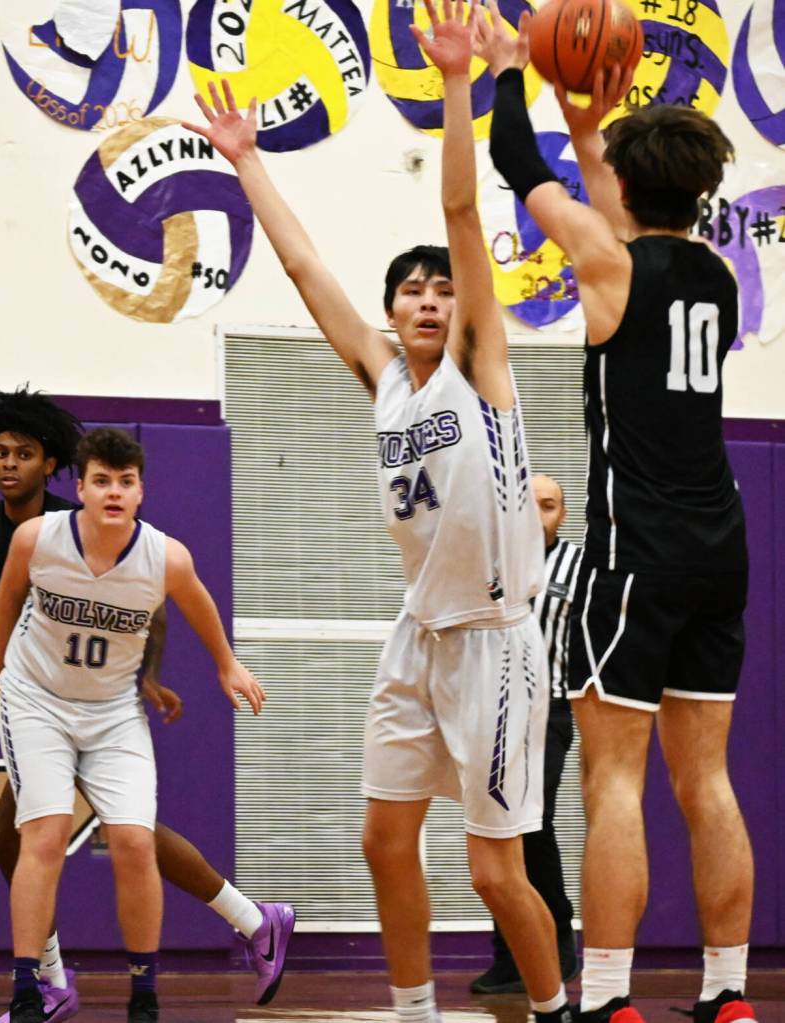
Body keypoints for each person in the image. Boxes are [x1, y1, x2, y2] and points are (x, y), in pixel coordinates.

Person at [182, 4, 569, 1021]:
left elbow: (459, 219)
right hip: (418, 633)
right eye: (412, 293)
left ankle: (562, 1008)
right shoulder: (386, 378)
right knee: (380, 839)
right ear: (392, 313)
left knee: (494, 875)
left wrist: (452, 88)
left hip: (493, 640)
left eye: (443, 290)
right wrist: (246, 164)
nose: (432, 299)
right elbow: (308, 270)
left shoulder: (481, 371)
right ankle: (411, 1011)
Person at [475, 8, 755, 1023]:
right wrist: (582, 111)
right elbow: (617, 210)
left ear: (632, 191)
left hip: (633, 552)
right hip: (719, 547)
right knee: (707, 783)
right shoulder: (715, 278)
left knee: (613, 782)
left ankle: (607, 998)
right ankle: (727, 993)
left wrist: (515, 76)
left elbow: (515, 161)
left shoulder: (610, 268)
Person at [0, 424, 285, 1023]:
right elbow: (9, 593)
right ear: (83, 488)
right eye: (102, 481)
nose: (114, 492)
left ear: (141, 491)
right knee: (41, 835)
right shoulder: (38, 539)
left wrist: (227, 664)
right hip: (38, 700)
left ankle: (143, 995)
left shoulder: (163, 556)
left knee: (134, 841)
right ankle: (29, 991)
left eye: (126, 482)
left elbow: (191, 603)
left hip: (111, 711)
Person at [471, 474, 580, 994]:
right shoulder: (489, 559)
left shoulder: (580, 566)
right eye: (530, 503)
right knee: (497, 830)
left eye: (551, 505)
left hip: (553, 710)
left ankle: (558, 943)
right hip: (491, 707)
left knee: (532, 825)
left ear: (563, 514)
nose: (539, 514)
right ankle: (511, 956)